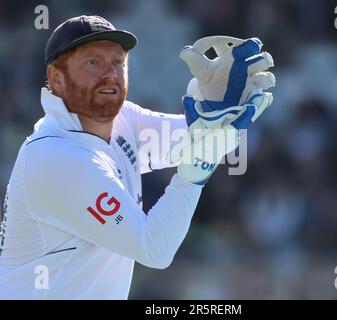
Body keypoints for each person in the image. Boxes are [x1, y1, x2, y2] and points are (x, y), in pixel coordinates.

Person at [0, 15, 274, 299]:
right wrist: (193, 177)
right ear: (57, 78)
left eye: (118, 62)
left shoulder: (123, 119)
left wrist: (218, 105)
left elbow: (200, 138)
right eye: (93, 62)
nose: (110, 74)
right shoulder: (56, 157)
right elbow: (154, 249)